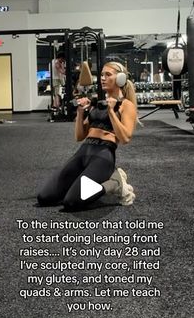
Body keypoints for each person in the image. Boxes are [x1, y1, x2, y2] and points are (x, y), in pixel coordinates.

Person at [37, 61, 138, 210]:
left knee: (71, 202)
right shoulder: (98, 103)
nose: (103, 78)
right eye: (102, 74)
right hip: (83, 152)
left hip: (103, 156)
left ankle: (115, 182)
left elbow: (125, 138)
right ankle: (79, 184)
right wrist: (80, 111)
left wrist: (111, 111)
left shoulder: (126, 105)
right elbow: (79, 136)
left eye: (108, 75)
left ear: (120, 79)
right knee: (44, 198)